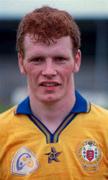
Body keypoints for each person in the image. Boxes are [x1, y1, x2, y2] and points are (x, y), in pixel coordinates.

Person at [0, 6, 108, 180]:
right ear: (21, 62)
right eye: (37, 60)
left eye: (59, 59)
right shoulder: (2, 132)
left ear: (76, 61)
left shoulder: (105, 128)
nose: (49, 71)